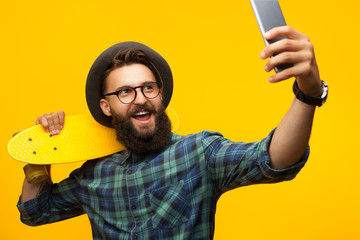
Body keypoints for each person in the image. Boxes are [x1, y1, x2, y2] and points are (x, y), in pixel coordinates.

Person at [17, 26, 328, 240]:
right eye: (125, 92)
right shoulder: (91, 176)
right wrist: (39, 153)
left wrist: (308, 92)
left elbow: (274, 159)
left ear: (160, 95)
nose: (140, 98)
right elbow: (34, 212)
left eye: (148, 87)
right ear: (106, 107)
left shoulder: (198, 154)